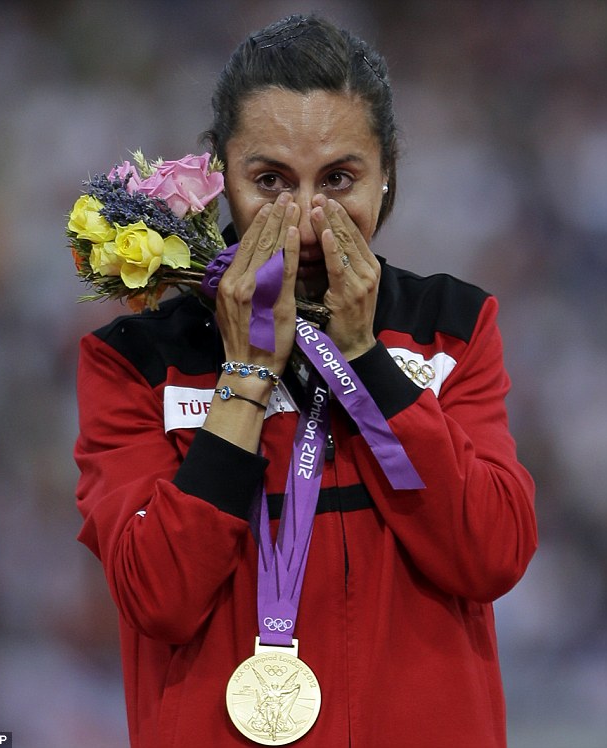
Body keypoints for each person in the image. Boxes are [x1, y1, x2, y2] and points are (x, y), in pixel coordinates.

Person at [74, 14, 537, 748]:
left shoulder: (451, 328)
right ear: (221, 179)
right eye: (270, 182)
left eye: (341, 179)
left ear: (388, 178)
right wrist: (246, 376)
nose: (309, 221)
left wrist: (368, 361)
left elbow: (491, 556)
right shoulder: (136, 360)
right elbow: (158, 597)